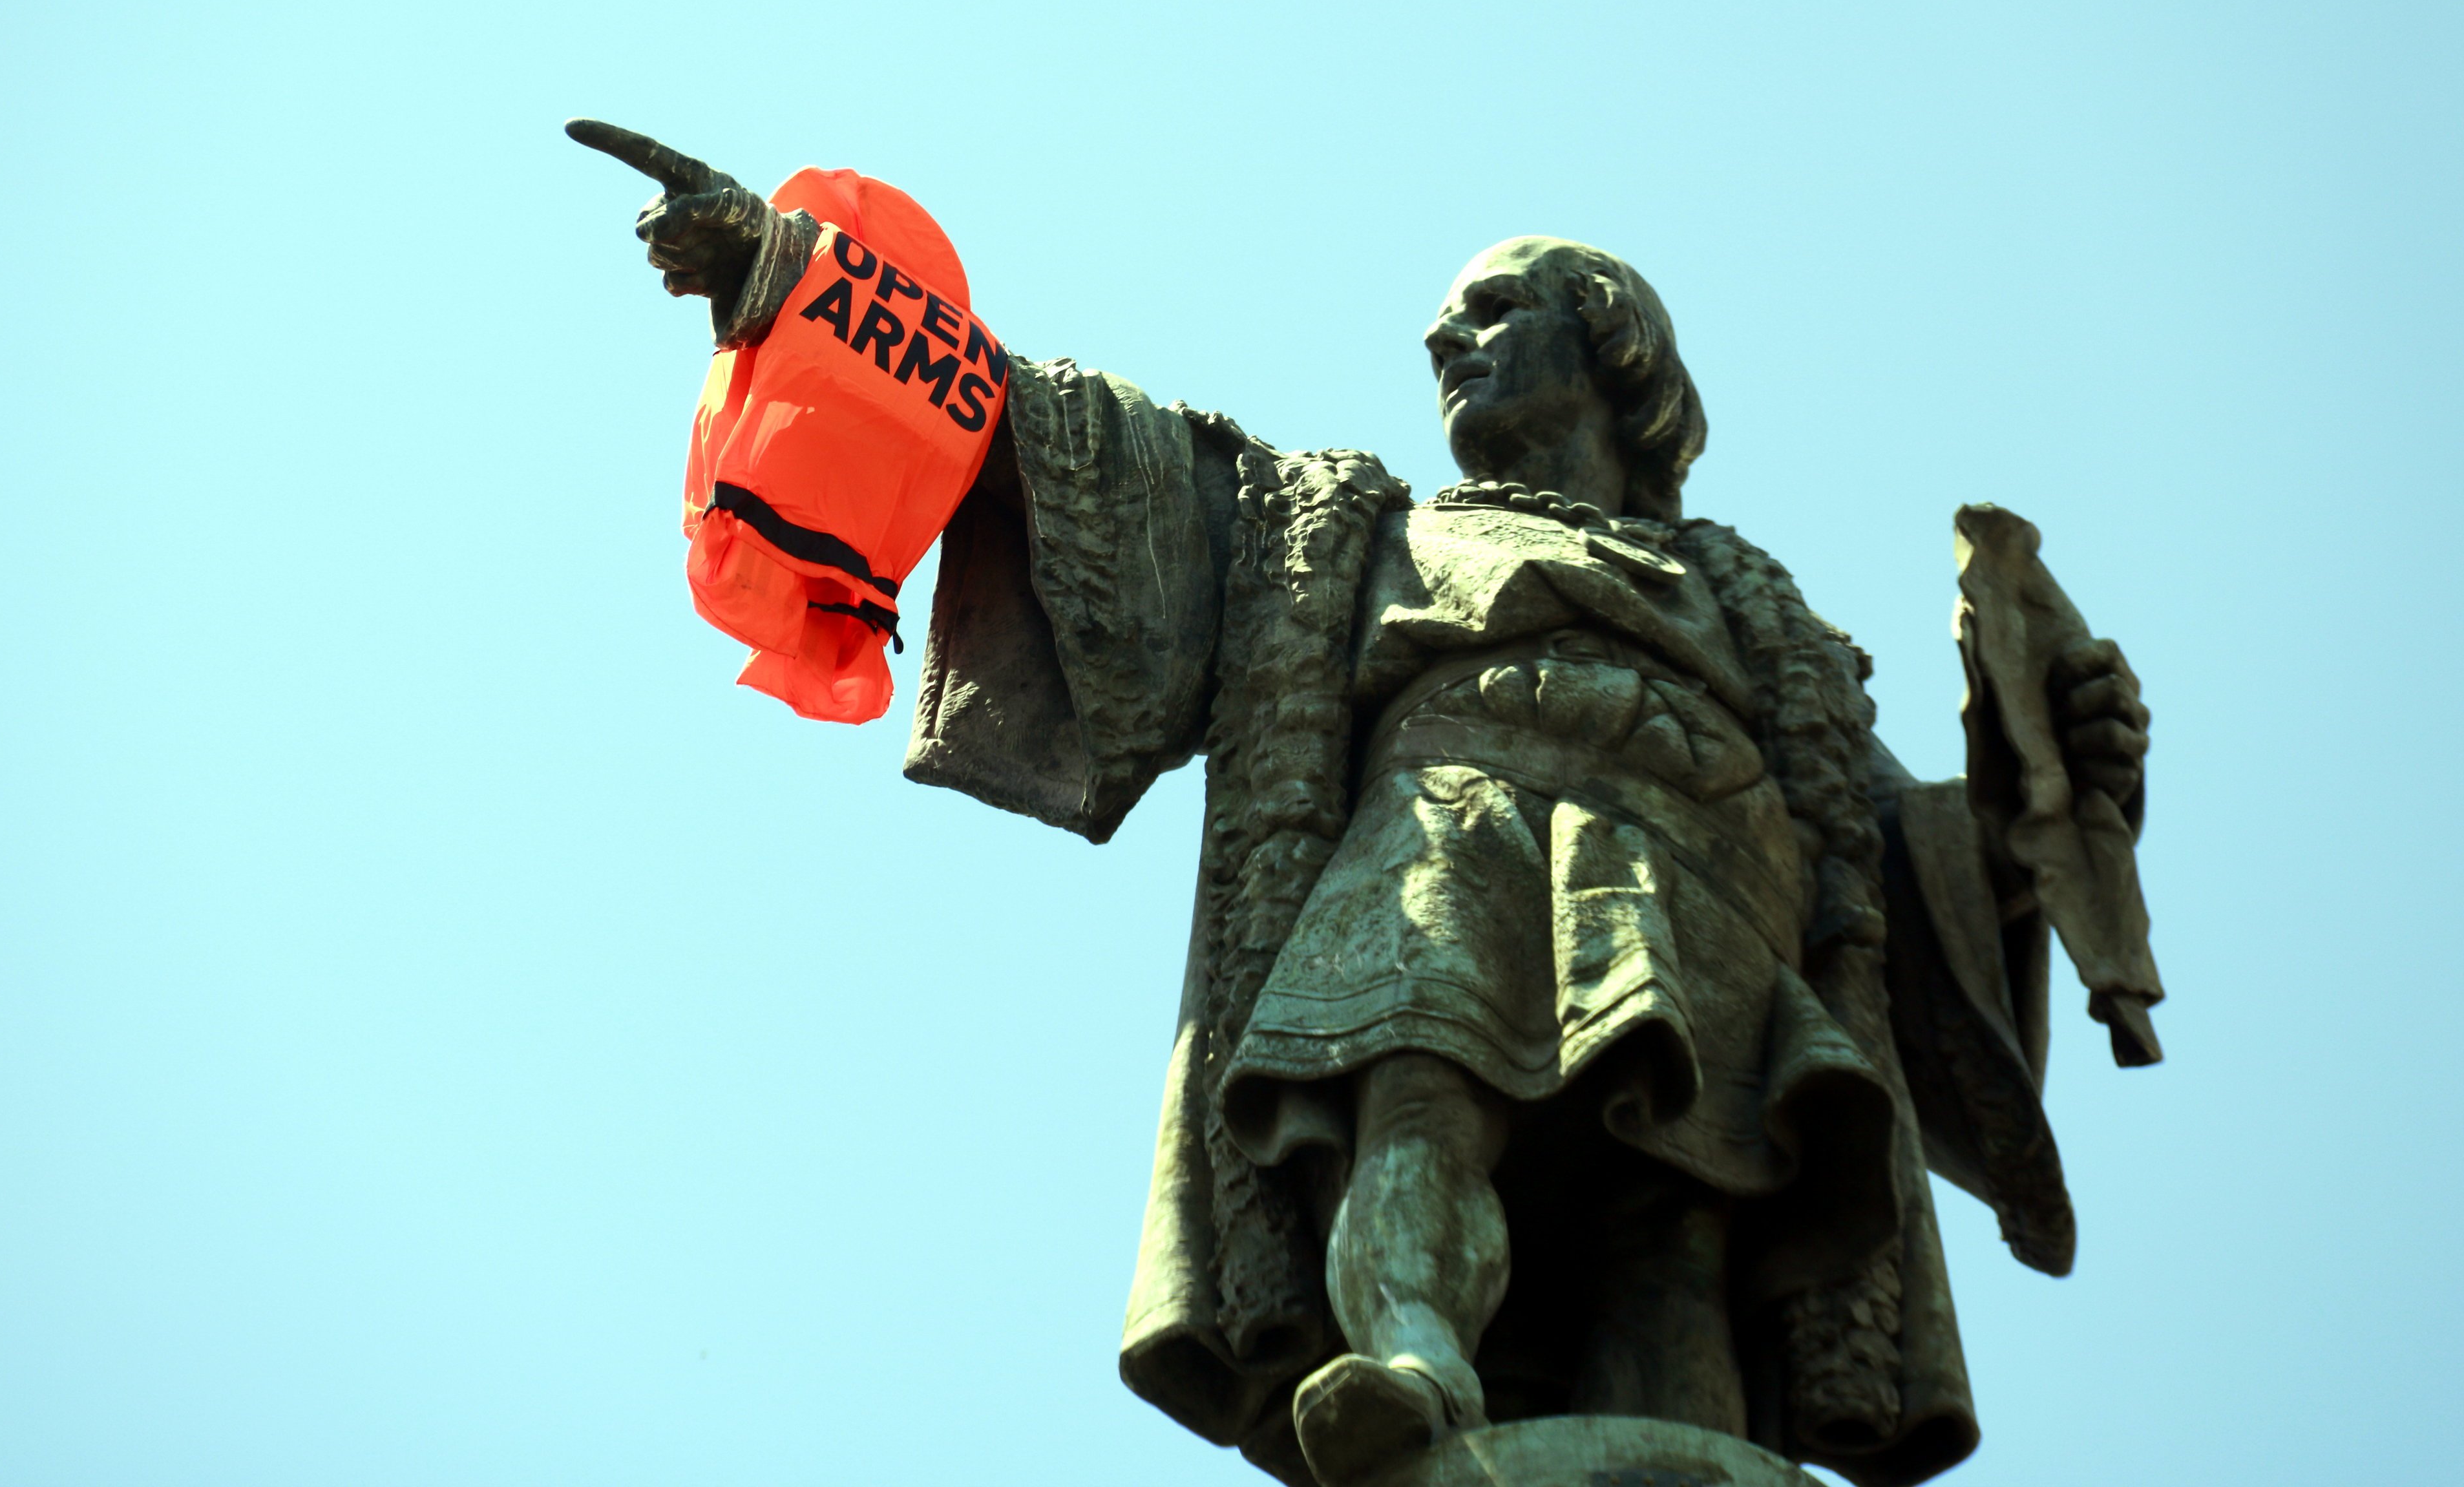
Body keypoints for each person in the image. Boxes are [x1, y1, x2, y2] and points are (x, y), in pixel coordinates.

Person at [595, 129, 2156, 1487]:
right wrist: (791, 276)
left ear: (1610, 343)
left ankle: (1695, 1440)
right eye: (1442, 322)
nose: (1442, 340)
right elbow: (1061, 435)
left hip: (1707, 886)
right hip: (1450, 836)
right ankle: (1411, 1366)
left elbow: (1889, 876)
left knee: (1676, 1215)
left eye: (1490, 311)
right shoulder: (1342, 531)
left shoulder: (1768, 624)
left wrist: (2039, 795)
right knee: (1412, 1104)